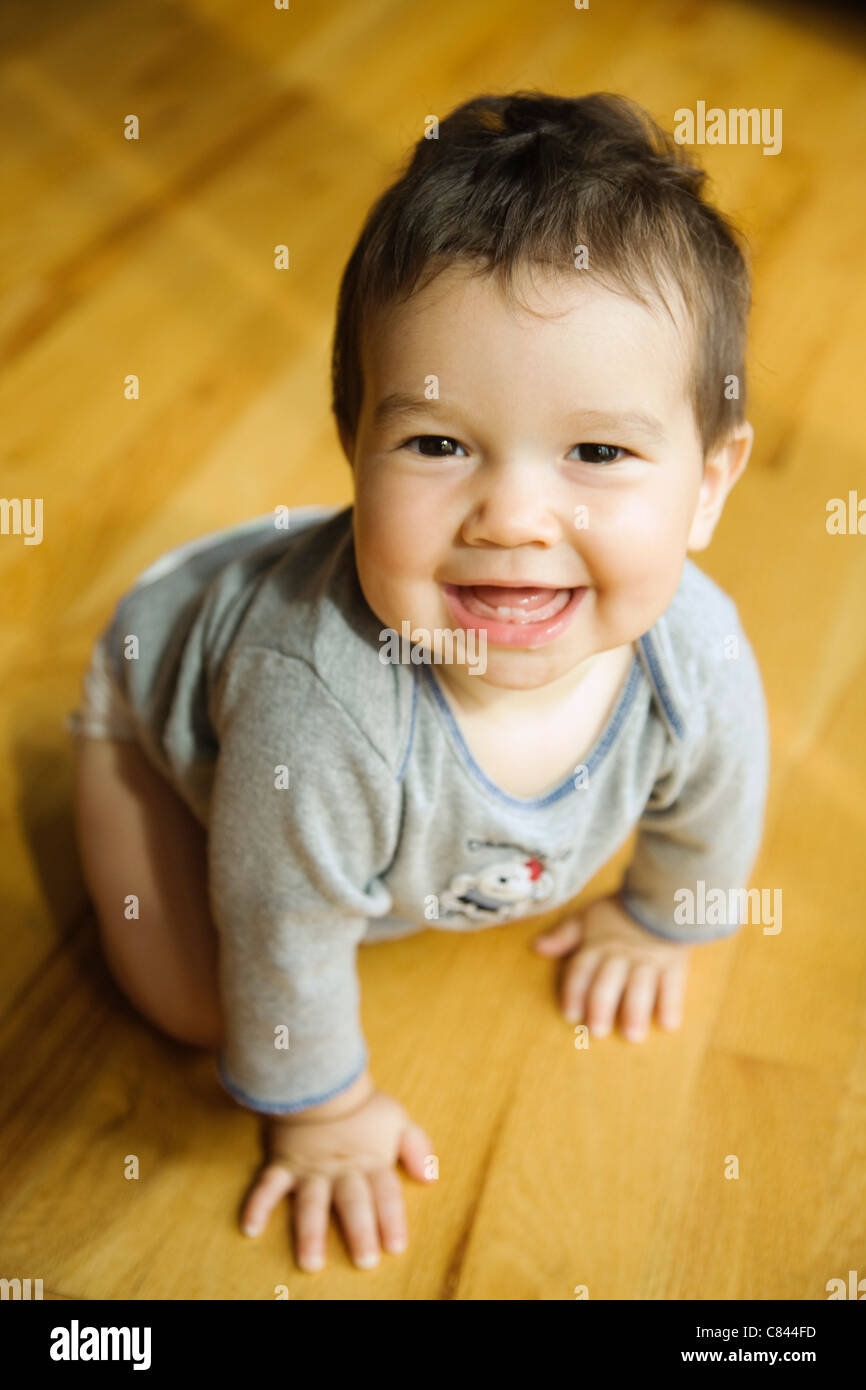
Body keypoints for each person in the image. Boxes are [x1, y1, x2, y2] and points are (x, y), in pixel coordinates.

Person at [69, 90, 770, 1274]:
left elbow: (717, 799)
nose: (512, 516)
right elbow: (279, 922)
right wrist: (324, 1110)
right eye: (437, 444)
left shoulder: (690, 650)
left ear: (705, 484)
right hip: (158, 698)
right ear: (354, 449)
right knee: (200, 1013)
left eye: (596, 451)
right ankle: (145, 684)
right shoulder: (317, 706)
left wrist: (663, 918)